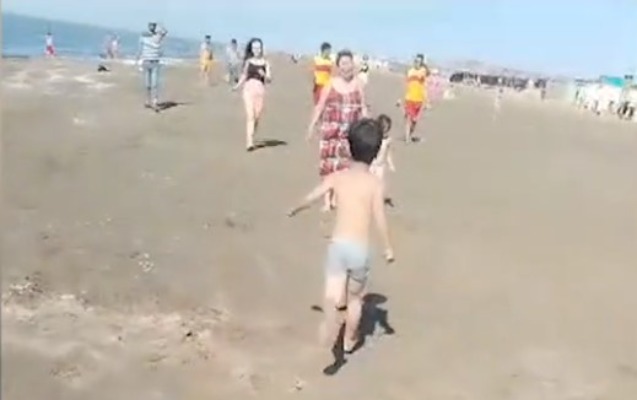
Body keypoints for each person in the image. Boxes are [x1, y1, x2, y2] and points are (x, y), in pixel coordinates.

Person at [288, 117, 394, 373]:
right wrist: (388, 247)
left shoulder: (338, 177)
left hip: (338, 246)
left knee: (333, 293)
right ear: (376, 152)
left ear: (348, 147)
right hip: (360, 250)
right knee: (356, 300)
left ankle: (329, 320)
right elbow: (379, 218)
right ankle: (348, 342)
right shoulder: (375, 184)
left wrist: (295, 207)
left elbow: (314, 196)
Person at [307, 49, 369, 212]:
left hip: (350, 133)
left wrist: (368, 128)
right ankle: (327, 201)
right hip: (331, 132)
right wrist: (311, 126)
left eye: (348, 63)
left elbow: (363, 107)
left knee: (345, 167)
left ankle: (337, 198)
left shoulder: (358, 84)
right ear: (338, 66)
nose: (346, 67)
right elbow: (320, 106)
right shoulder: (331, 84)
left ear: (353, 65)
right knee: (328, 166)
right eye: (343, 63)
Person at [233, 38, 272, 151]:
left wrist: (264, 75)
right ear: (252, 49)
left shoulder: (266, 63)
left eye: (258, 48)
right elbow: (244, 75)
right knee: (250, 116)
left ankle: (252, 134)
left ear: (261, 49)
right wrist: (237, 86)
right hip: (248, 90)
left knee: (256, 116)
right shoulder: (248, 62)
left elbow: (269, 79)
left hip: (260, 91)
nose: (256, 50)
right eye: (254, 48)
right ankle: (249, 142)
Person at [137, 22, 168, 112]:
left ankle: (155, 102)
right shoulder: (144, 36)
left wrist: (159, 26)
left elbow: (165, 31)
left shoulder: (158, 36)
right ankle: (148, 101)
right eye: (150, 26)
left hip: (155, 62)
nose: (152, 27)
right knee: (147, 84)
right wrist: (139, 59)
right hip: (146, 62)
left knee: (155, 84)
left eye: (153, 26)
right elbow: (140, 49)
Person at [370, 114, 396, 206]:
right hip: (371, 163)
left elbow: (388, 152)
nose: (385, 131)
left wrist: (390, 163)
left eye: (387, 129)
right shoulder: (373, 138)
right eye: (384, 128)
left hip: (380, 165)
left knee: (379, 182)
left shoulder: (388, 139)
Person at [403, 54, 429, 142]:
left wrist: (426, 101)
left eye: (419, 62)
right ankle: (407, 138)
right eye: (415, 61)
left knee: (414, 120)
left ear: (421, 63)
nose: (416, 63)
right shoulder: (410, 71)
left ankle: (410, 135)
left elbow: (425, 84)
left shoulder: (423, 71)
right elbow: (406, 85)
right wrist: (401, 98)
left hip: (419, 99)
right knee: (408, 118)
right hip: (409, 98)